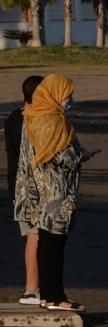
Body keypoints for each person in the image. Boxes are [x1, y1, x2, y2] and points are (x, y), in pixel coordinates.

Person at [15, 74, 97, 312]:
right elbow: (64, 157)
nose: (70, 98)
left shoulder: (32, 117)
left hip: (42, 194)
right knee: (53, 247)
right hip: (56, 195)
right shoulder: (52, 121)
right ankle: (54, 297)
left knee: (47, 244)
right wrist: (81, 155)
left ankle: (49, 295)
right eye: (67, 93)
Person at [5, 75, 43, 305]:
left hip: (19, 184)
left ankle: (34, 288)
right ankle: (32, 290)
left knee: (33, 236)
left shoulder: (13, 118)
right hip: (28, 186)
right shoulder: (27, 120)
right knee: (35, 236)